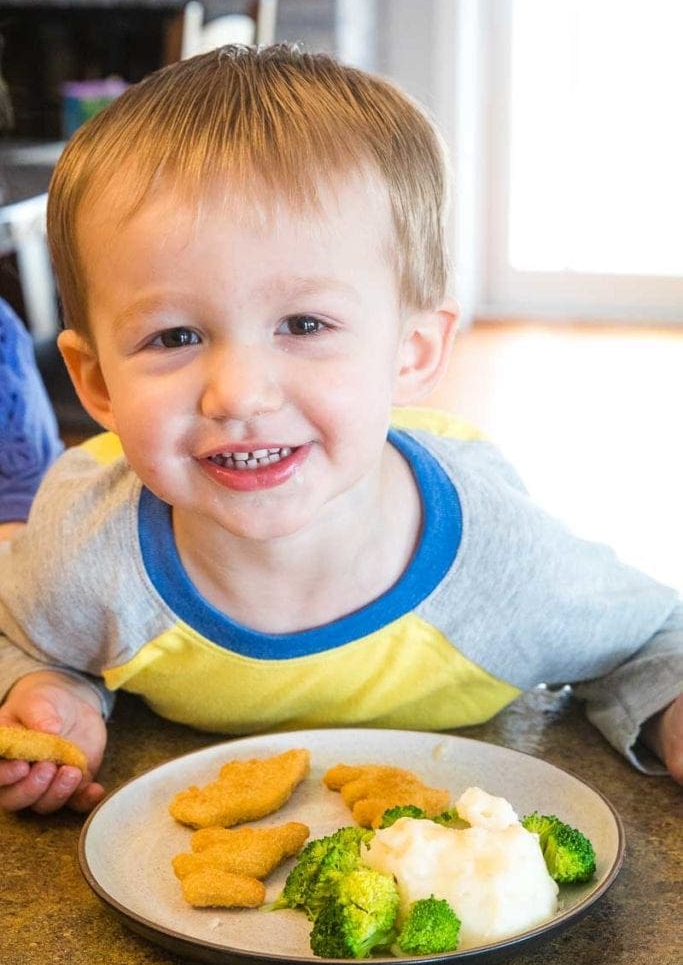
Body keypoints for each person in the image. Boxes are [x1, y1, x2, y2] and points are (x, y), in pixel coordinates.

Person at [0, 46, 681, 816]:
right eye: (174, 337)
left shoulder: (508, 571)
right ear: (96, 384)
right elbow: (20, 630)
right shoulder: (83, 557)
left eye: (304, 323)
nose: (239, 395)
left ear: (412, 351)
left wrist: (668, 713)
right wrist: (49, 686)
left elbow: (656, 633)